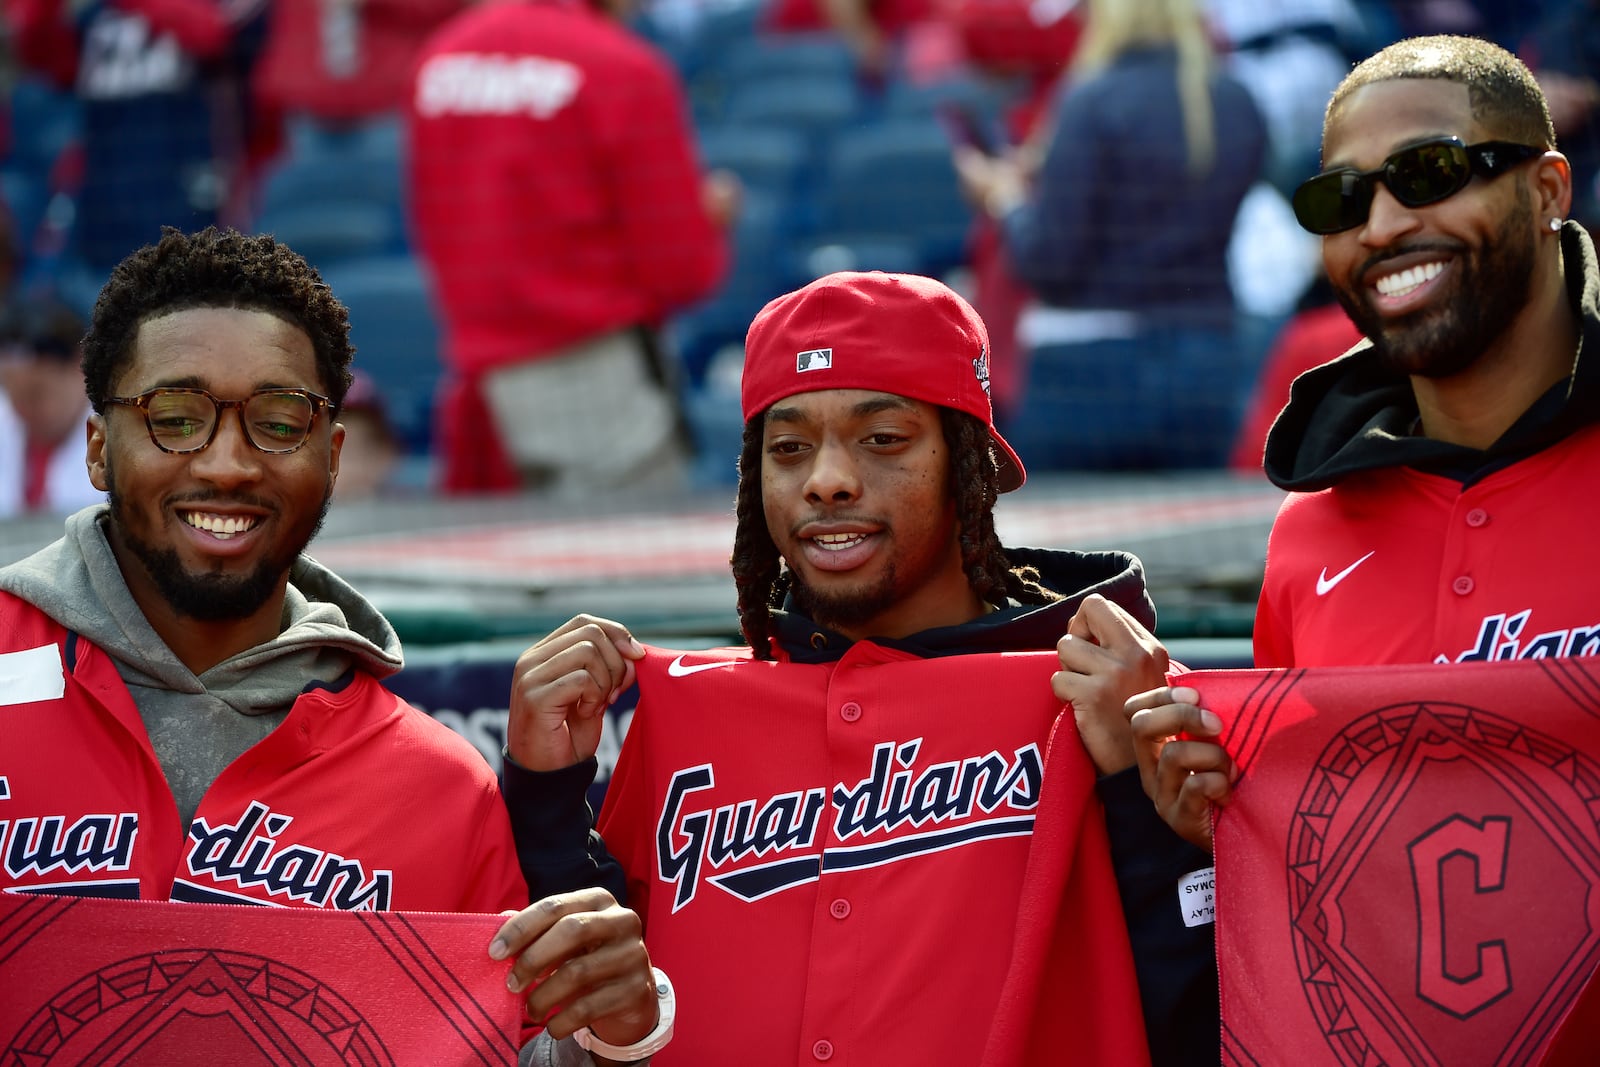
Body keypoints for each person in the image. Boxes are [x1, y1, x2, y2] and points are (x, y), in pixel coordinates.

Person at [498, 271, 1219, 1065]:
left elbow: (1216, 1013)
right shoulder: (692, 714)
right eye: (789, 447)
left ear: (967, 464)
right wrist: (545, 795)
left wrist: (1145, 810)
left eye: (883, 438)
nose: (826, 479)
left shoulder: (1104, 699)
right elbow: (593, 1014)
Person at [0, 226, 664, 1063]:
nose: (230, 463)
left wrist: (609, 1035)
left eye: (279, 422)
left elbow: (500, 1052)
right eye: (175, 418)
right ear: (99, 448)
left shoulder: (438, 787)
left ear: (332, 454)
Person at [1126, 32, 1597, 846]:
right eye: (1340, 201)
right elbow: (1335, 855)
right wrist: (1220, 820)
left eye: (1429, 173)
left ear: (1549, 189)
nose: (1378, 226)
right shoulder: (1309, 534)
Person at [406, 0, 737, 497]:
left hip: (480, 385)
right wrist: (707, 219)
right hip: (599, 389)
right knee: (625, 570)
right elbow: (683, 272)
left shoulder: (439, 58)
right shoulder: (622, 67)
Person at [954, 0, 1268, 471]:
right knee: (1192, 536)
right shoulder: (1236, 100)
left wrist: (1007, 201)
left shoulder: (1092, 100)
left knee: (1075, 540)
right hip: (1205, 364)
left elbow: (1048, 262)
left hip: (1089, 375)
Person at [0, 290, 102, 517]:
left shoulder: (117, 439)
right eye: (13, 394)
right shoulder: (6, 420)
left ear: (79, 366)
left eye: (36, 394)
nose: (22, 410)